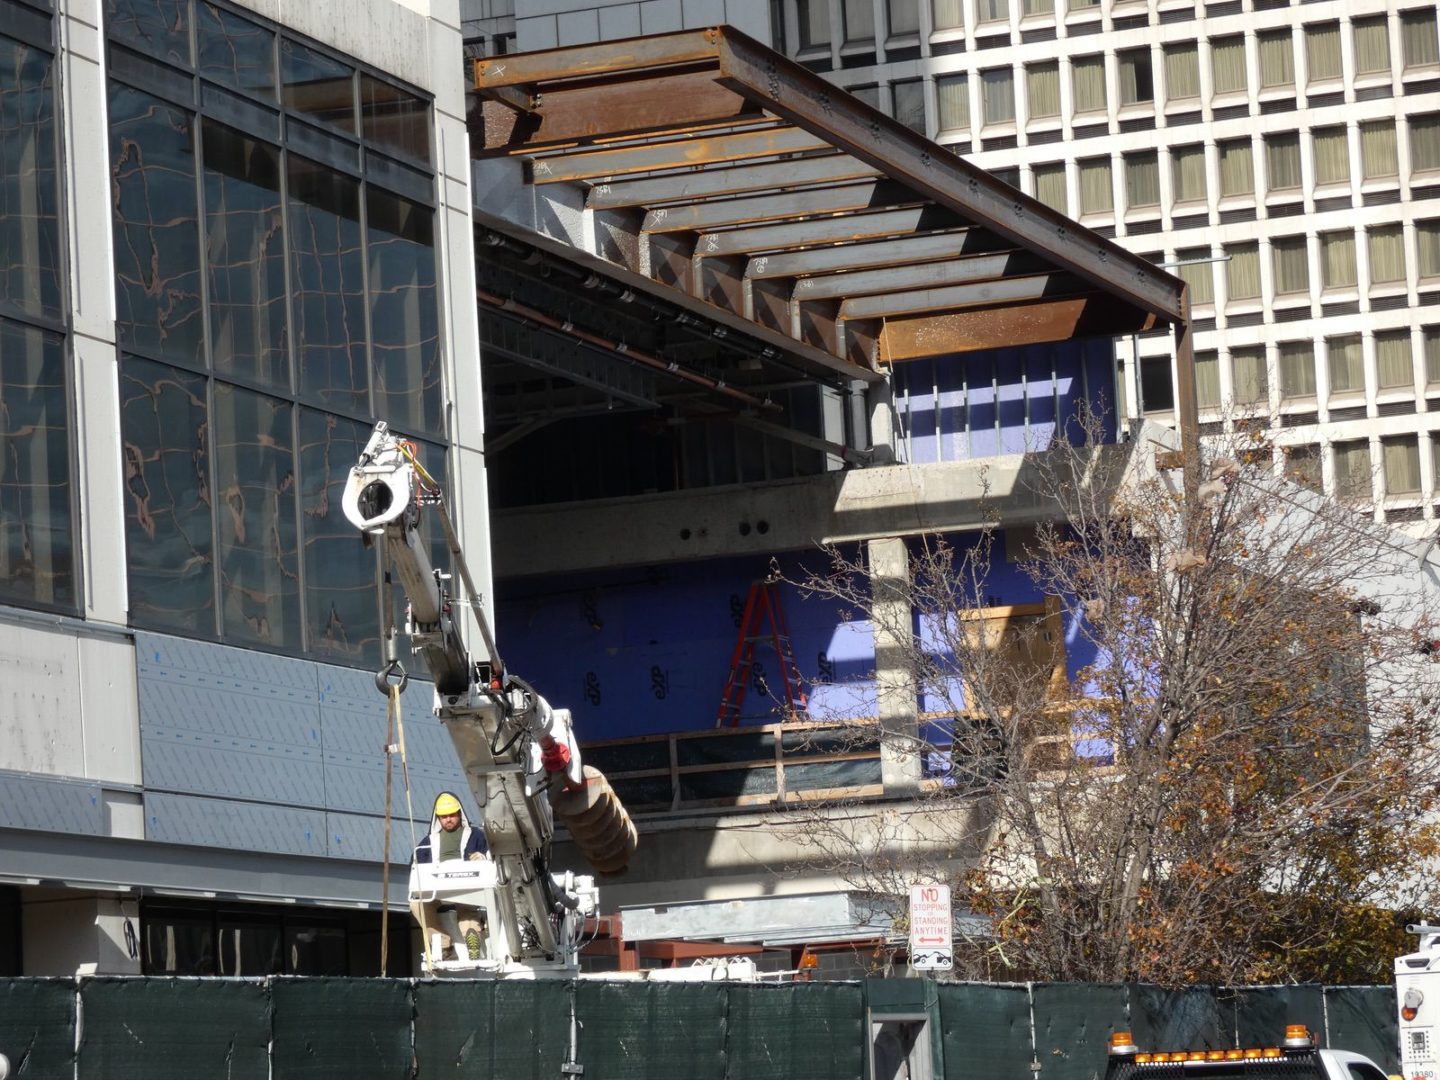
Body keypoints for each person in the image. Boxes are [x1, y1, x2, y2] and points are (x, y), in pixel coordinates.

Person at [410, 791, 489, 961]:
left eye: (452, 815)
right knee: (417, 904)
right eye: (444, 816)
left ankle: (472, 937)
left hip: (467, 885)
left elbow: (492, 855)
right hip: (437, 887)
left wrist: (483, 858)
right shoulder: (428, 841)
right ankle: (443, 944)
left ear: (460, 814)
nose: (448, 819)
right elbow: (415, 864)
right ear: (438, 818)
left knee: (467, 907)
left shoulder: (476, 835)